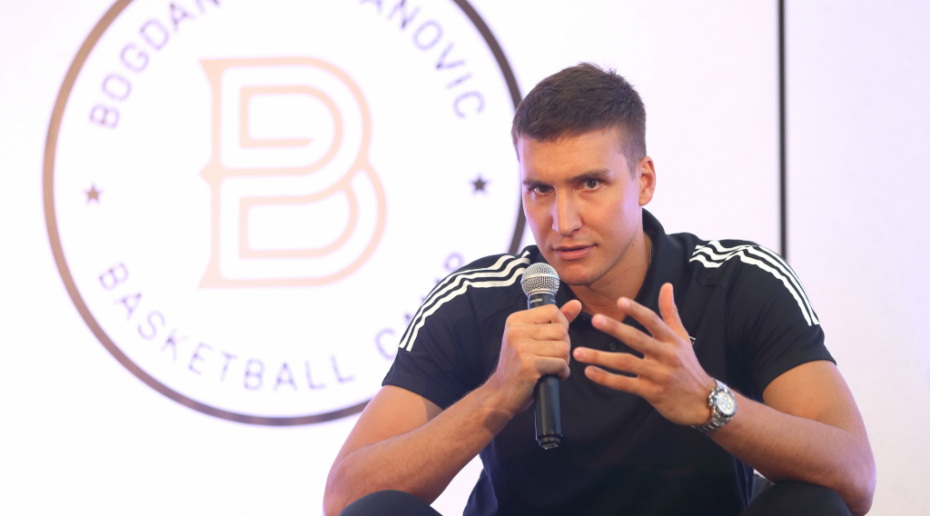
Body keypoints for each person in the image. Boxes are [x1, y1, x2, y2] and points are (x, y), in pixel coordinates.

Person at [323, 64, 875, 516]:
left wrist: (710, 402)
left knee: (811, 505)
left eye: (590, 184)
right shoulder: (477, 299)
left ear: (644, 180)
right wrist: (496, 396)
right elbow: (347, 497)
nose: (562, 222)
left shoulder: (735, 281)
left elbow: (853, 474)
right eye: (540, 189)